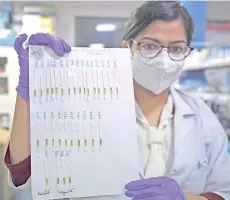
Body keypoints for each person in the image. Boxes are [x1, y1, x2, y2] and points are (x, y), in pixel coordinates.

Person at [4, 1, 230, 200]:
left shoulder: (201, 115)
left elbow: (223, 191)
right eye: (149, 46)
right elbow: (23, 176)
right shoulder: (84, 104)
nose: (164, 58)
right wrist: (29, 94)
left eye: (177, 48)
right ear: (127, 48)